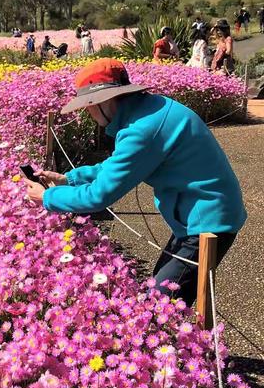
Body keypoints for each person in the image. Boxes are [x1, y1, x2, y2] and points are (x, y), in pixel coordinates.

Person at [24, 58, 246, 307]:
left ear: (106, 101)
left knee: (160, 307)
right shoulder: (149, 110)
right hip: (201, 214)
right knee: (161, 291)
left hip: (208, 223)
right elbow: (116, 165)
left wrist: (47, 198)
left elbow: (98, 197)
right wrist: (70, 178)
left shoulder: (142, 130)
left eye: (88, 105)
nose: (87, 112)